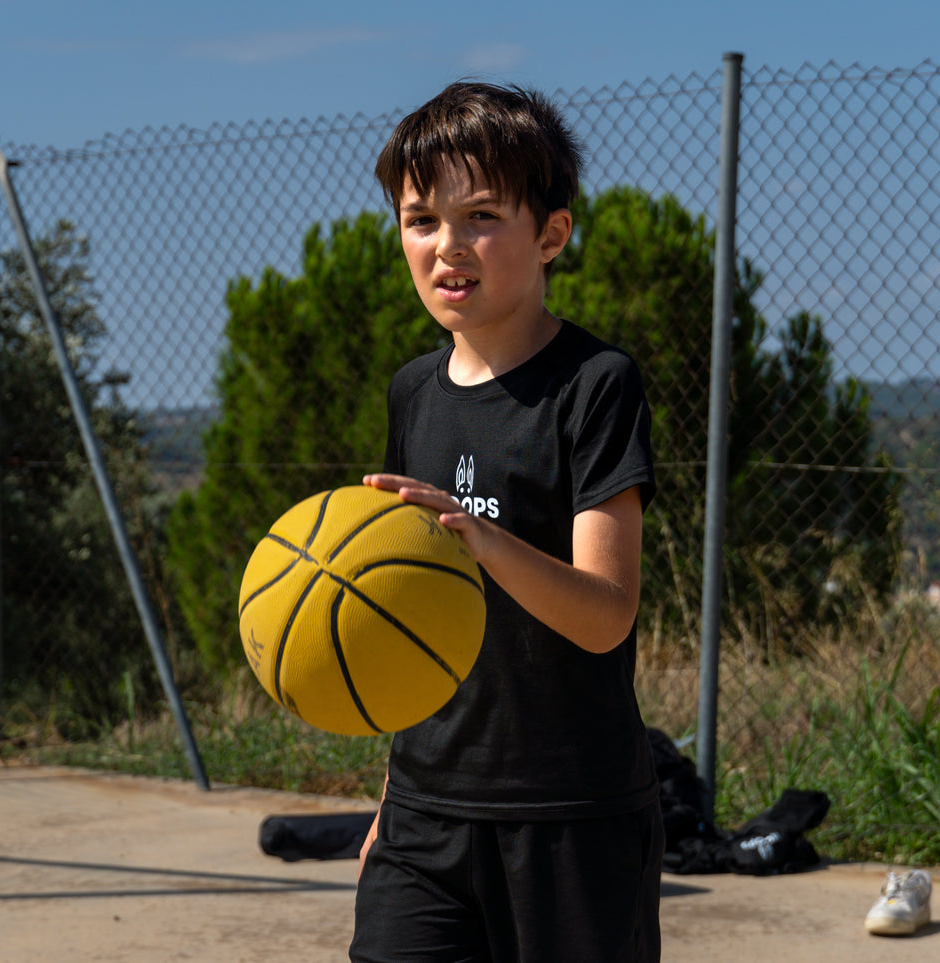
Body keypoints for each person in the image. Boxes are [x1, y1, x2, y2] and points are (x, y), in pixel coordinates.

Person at [350, 81, 663, 963]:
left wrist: (480, 537)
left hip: (569, 815)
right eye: (419, 219)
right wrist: (390, 801)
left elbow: (606, 614)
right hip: (427, 813)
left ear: (551, 235)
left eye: (480, 214)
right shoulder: (412, 392)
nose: (447, 244)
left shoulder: (594, 384)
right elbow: (413, 617)